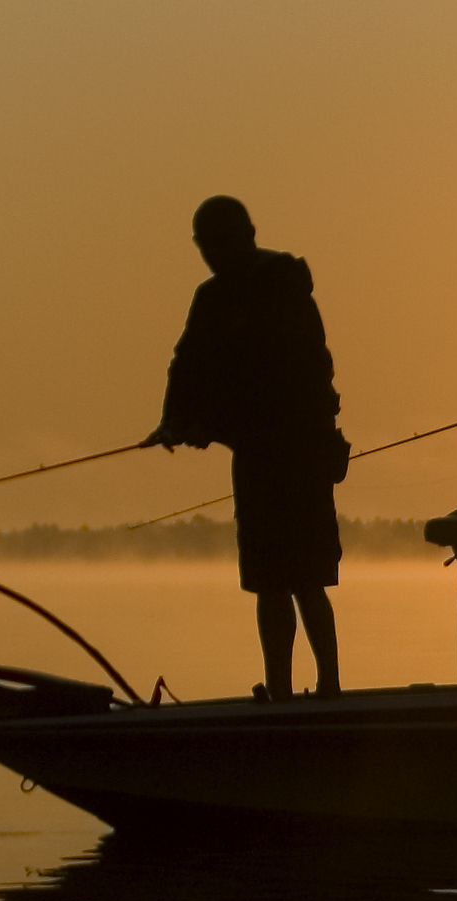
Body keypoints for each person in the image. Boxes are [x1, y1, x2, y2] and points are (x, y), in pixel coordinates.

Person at [146, 196, 348, 701]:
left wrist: (207, 423)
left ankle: (329, 687)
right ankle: (279, 686)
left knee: (306, 579)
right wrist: (174, 420)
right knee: (266, 580)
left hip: (300, 452)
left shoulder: (282, 286)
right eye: (207, 246)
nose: (216, 254)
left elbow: (282, 374)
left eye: (224, 242)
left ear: (249, 234)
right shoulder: (210, 298)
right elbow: (188, 362)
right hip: (256, 457)